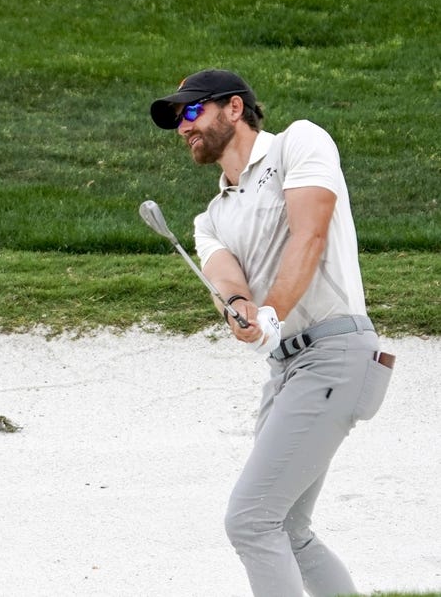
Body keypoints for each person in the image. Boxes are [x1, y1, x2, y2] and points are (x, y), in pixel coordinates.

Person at [149, 69, 394, 597]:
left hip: (335, 351)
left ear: (233, 108)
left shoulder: (298, 144)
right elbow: (227, 281)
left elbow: (309, 233)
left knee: (251, 520)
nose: (182, 127)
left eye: (191, 112)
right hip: (287, 368)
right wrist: (240, 310)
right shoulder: (210, 218)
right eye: (175, 120)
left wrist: (272, 314)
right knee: (287, 529)